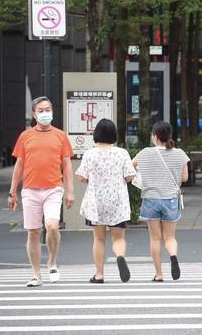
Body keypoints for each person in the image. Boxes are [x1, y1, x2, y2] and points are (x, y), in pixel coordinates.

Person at [8, 96, 75, 287]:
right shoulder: (25, 136)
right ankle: (36, 275)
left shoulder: (60, 135)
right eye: (41, 111)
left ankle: (52, 261)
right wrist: (12, 192)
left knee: (52, 226)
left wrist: (70, 191)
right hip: (30, 190)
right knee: (34, 232)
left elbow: (67, 165)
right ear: (34, 114)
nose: (45, 113)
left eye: (48, 110)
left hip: (53, 188)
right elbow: (19, 165)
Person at [76, 119, 136, 283]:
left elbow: (82, 176)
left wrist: (93, 181)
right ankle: (120, 256)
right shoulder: (122, 153)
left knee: (99, 238)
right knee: (118, 238)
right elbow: (130, 176)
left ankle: (99, 274)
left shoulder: (90, 153)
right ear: (114, 135)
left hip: (96, 202)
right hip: (117, 200)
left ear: (96, 134)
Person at [132, 121, 190, 282]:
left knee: (155, 238)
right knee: (170, 238)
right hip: (170, 199)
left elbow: (130, 167)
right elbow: (185, 177)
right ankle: (173, 255)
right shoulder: (179, 153)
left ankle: (159, 274)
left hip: (150, 199)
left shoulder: (144, 153)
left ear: (155, 136)